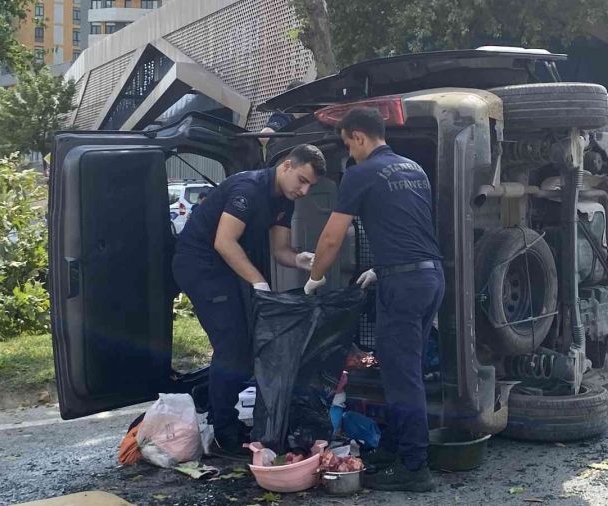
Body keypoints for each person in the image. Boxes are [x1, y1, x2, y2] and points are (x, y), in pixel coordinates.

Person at [306, 108, 444, 492]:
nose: (349, 153)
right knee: (405, 369)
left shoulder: (360, 173)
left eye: (348, 144)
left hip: (403, 285)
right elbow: (408, 227)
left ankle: (415, 468)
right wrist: (381, 270)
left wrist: (314, 278)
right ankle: (399, 450)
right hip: (430, 275)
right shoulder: (413, 168)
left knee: (403, 377)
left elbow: (332, 237)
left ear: (359, 137)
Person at [172, 144, 325, 460]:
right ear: (285, 165)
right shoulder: (248, 188)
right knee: (232, 346)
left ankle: (217, 406)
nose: (304, 190)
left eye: (311, 185)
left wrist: (301, 260)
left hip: (228, 269)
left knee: (246, 345)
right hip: (202, 266)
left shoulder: (285, 200)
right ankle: (222, 432)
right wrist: (258, 282)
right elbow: (224, 242)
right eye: (302, 179)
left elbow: (281, 249)